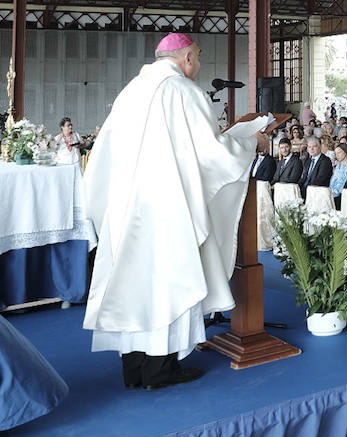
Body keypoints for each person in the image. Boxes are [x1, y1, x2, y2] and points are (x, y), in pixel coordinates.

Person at [83, 33, 270, 390]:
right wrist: (250, 141)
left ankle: (135, 369)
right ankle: (161, 370)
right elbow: (213, 152)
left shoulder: (131, 92)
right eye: (197, 58)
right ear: (186, 57)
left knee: (133, 286)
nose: (198, 66)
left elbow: (103, 153)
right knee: (167, 284)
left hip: (126, 207)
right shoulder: (183, 92)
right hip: (168, 209)